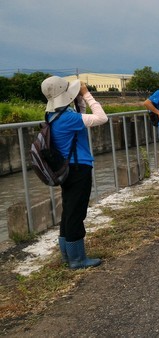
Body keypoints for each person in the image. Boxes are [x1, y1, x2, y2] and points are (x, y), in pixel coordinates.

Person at [41, 76, 109, 269]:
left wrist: (79, 101)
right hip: (79, 169)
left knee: (69, 212)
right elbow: (101, 118)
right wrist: (87, 94)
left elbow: (82, 119)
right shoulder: (68, 118)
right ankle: (78, 259)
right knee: (76, 214)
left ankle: (67, 255)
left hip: (67, 169)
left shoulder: (53, 116)